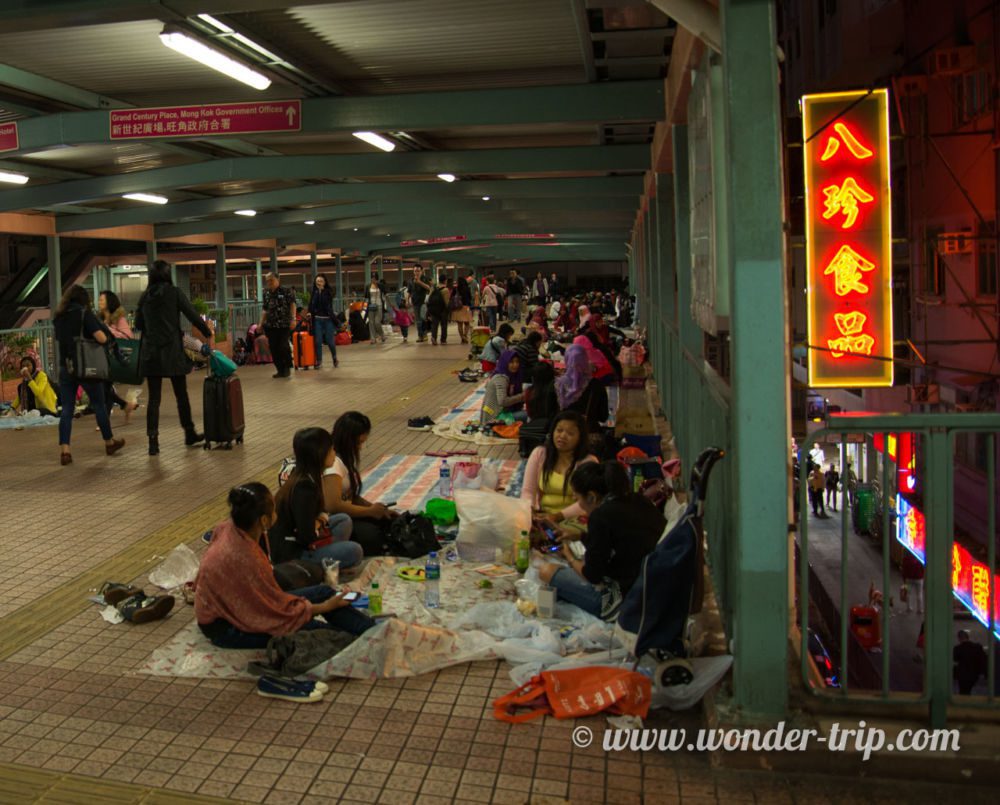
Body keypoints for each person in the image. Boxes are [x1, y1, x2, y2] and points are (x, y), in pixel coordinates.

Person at [195, 483, 374, 650]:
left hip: (236, 606)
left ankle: (371, 630)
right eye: (273, 509)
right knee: (325, 633)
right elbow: (270, 612)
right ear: (264, 520)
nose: (276, 512)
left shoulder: (229, 527)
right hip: (227, 628)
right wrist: (325, 607)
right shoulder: (246, 558)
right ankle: (367, 636)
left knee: (325, 592)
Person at [537, 461, 663, 619]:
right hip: (655, 589)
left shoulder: (600, 517)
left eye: (578, 497)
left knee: (547, 571)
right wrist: (580, 536)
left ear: (591, 497)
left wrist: (568, 555)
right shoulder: (638, 499)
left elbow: (592, 576)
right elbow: (618, 540)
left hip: (625, 601)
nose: (577, 501)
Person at [135, 260, 213, 456]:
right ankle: (189, 433)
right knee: (181, 395)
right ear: (167, 274)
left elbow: (138, 324)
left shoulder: (145, 296)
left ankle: (153, 442)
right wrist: (206, 331)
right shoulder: (174, 293)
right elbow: (192, 314)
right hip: (172, 352)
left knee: (154, 399)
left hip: (151, 353)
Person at [51, 285, 125, 465]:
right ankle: (109, 442)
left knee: (67, 409)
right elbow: (101, 338)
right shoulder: (85, 315)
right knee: (99, 404)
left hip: (66, 367)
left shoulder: (59, 317)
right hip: (86, 367)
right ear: (84, 300)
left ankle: (65, 451)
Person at [270, 428, 364, 570]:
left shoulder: (308, 475)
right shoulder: (304, 488)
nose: (334, 453)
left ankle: (328, 558)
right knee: (355, 550)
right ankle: (322, 564)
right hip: (294, 553)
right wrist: (320, 521)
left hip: (304, 537)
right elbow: (306, 536)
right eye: (331, 449)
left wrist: (320, 520)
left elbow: (320, 512)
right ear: (320, 453)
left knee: (343, 520)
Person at [327, 411, 399, 556]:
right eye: (358, 443)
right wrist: (369, 511)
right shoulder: (333, 463)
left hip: (345, 515)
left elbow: (351, 497)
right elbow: (334, 506)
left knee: (389, 522)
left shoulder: (343, 459)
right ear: (347, 439)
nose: (360, 448)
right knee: (372, 536)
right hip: (335, 521)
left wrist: (376, 509)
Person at [520, 410, 596, 523]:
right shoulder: (540, 454)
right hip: (543, 515)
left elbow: (588, 502)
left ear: (580, 438)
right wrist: (529, 512)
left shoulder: (588, 462)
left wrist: (557, 516)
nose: (562, 436)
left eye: (570, 433)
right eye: (559, 430)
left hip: (575, 519)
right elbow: (528, 491)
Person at [97, 290, 139, 424]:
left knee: (105, 387)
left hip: (114, 358)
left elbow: (127, 336)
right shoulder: (99, 318)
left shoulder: (119, 319)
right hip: (102, 357)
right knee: (105, 388)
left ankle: (105, 421)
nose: (99, 302)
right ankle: (124, 405)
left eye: (102, 300)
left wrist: (108, 331)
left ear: (109, 302)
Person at [556, 344, 608, 433]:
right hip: (587, 433)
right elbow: (603, 417)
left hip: (563, 434)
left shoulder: (558, 385)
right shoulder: (596, 385)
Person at [259, 272, 296, 378]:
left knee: (283, 346)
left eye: (271, 280)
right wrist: (260, 323)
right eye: (267, 281)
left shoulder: (286, 291)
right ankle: (280, 370)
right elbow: (265, 310)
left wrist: (293, 319)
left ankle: (287, 367)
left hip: (284, 324)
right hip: (271, 325)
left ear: (278, 279)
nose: (269, 282)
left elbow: (292, 304)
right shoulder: (266, 293)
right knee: (274, 348)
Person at [481, 350, 526, 425]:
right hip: (494, 417)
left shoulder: (512, 376)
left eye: (517, 362)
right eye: (511, 362)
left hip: (503, 412)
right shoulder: (501, 378)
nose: (515, 365)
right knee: (528, 415)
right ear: (505, 363)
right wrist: (522, 396)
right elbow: (503, 401)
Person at [308, 274, 340, 369]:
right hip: (317, 319)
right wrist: (309, 312)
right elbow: (311, 305)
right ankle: (319, 361)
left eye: (321, 281)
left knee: (330, 341)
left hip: (328, 319)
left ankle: (334, 357)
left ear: (325, 282)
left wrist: (321, 291)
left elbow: (326, 303)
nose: (319, 283)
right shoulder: (314, 292)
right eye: (317, 281)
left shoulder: (328, 292)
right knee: (318, 341)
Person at [954, 630, 987, 695]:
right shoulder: (977, 647)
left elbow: (955, 659)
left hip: (963, 675)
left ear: (959, 638)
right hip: (974, 673)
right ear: (968, 637)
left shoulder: (957, 648)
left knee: (963, 691)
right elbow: (983, 660)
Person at [425, 273, 450, 345]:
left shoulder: (433, 288)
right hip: (442, 310)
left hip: (434, 309)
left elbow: (428, 299)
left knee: (434, 324)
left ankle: (434, 337)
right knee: (444, 325)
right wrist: (448, 310)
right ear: (445, 281)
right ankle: (443, 340)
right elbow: (446, 302)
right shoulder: (445, 289)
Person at [411, 266, 432, 343]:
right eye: (415, 271)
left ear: (421, 271)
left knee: (423, 319)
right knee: (418, 321)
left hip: (424, 303)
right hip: (415, 303)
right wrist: (407, 300)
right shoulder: (411, 280)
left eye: (418, 271)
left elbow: (429, 288)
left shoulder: (425, 279)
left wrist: (419, 282)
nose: (416, 272)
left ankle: (425, 334)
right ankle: (420, 336)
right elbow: (409, 291)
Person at [364, 276, 387, 345]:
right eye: (372, 278)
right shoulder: (368, 286)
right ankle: (373, 339)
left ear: (377, 279)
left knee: (377, 322)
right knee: (371, 323)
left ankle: (382, 335)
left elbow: (385, 294)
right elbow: (366, 296)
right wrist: (364, 306)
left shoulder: (380, 286)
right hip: (371, 306)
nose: (373, 280)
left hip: (379, 305)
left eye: (374, 278)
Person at [451, 276, 473, 344]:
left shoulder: (456, 289)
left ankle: (462, 338)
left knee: (459, 324)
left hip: (458, 307)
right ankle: (465, 336)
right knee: (467, 323)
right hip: (466, 307)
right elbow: (470, 297)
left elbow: (451, 297)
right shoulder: (467, 288)